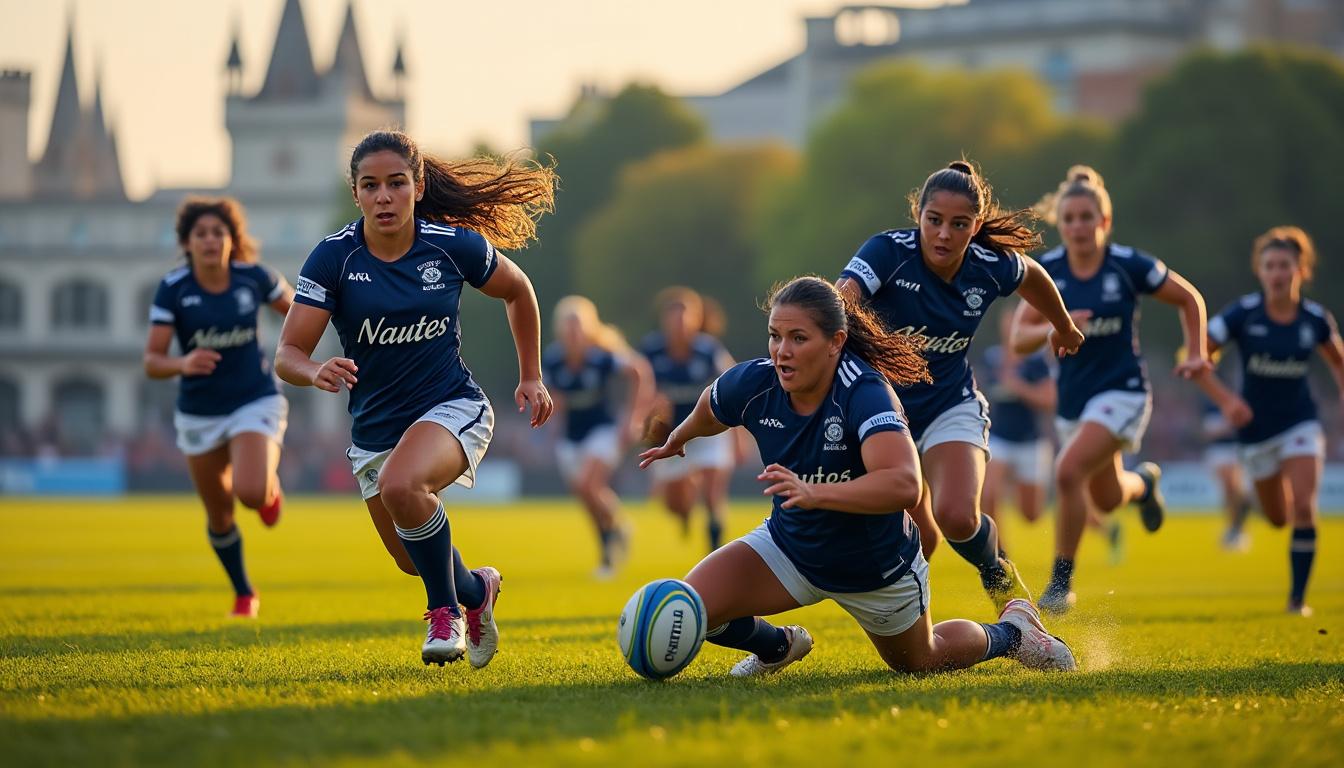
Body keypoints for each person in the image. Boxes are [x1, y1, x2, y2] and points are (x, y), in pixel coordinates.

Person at [640, 277, 1076, 676]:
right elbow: (712, 407)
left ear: (836, 342)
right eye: (775, 336)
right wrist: (677, 438)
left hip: (873, 566)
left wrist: (817, 492)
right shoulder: (755, 381)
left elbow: (904, 482)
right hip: (789, 547)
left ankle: (1014, 633)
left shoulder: (863, 392)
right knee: (691, 607)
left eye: (798, 338)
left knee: (919, 661)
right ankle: (777, 646)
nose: (781, 351)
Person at [275, 130, 556, 666]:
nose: (385, 196)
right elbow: (287, 352)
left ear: (418, 186)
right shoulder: (333, 259)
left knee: (405, 485)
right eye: (371, 185)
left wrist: (531, 375)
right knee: (413, 556)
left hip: (453, 407)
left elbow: (519, 290)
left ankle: (443, 616)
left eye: (396, 183)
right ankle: (477, 592)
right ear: (356, 193)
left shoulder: (452, 247)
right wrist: (314, 371)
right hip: (375, 431)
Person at [836, 160, 1083, 611]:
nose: (944, 234)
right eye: (935, 221)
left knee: (956, 516)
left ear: (976, 226)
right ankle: (915, 628)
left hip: (953, 404)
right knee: (919, 539)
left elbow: (1033, 277)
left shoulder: (990, 266)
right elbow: (842, 298)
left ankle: (1000, 580)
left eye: (959, 224)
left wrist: (1063, 327)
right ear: (918, 215)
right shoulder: (888, 252)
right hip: (886, 413)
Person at [1013, 166, 1210, 614]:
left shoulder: (1128, 264)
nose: (1079, 226)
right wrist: (1057, 326)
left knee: (1067, 473)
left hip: (1123, 392)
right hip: (1074, 402)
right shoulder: (1050, 272)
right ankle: (1143, 483)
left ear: (1105, 221)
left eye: (1088, 217)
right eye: (1070, 219)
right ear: (1060, 225)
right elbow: (1017, 340)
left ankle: (1061, 584)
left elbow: (1188, 299)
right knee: (1105, 496)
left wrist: (1196, 353)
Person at [143, 196, 292, 619]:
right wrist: (183, 362)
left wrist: (304, 353)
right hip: (199, 411)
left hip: (253, 400)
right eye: (200, 234)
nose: (209, 241)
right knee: (219, 514)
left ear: (232, 240)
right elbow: (152, 361)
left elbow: (302, 313)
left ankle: (267, 489)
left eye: (217, 233)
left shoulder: (255, 278)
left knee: (248, 492)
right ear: (187, 244)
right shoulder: (173, 289)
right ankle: (244, 593)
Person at [1197, 226, 1343, 616]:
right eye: (1270, 266)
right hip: (1255, 431)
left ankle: (1297, 600)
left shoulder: (1314, 319)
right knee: (1278, 518)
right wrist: (1227, 401)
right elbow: (1197, 357)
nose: (1277, 273)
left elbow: (1338, 361)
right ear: (1259, 272)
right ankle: (1249, 503)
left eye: (1285, 266)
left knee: (1304, 509)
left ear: (1301, 271)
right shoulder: (1243, 314)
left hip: (1300, 423)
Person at [544, 295, 654, 578]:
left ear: (589, 328)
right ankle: (611, 540)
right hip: (572, 436)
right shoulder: (554, 360)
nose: (573, 333)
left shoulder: (602, 357)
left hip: (603, 430)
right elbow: (556, 397)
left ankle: (615, 533)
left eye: (578, 326)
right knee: (586, 495)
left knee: (588, 485)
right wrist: (551, 419)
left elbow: (639, 371)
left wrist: (632, 418)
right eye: (568, 327)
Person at [640, 287, 738, 552]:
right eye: (674, 316)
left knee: (712, 489)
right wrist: (648, 414)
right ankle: (685, 512)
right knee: (674, 503)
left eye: (686, 316)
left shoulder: (709, 351)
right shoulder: (651, 351)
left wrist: (740, 436)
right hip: (671, 433)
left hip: (708, 428)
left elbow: (734, 387)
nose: (680, 323)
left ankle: (714, 542)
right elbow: (641, 391)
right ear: (665, 320)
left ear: (697, 319)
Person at [980, 307, 1055, 543]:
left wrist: (1018, 386)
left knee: (1031, 515)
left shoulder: (1036, 362)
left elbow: (1049, 400)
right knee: (987, 494)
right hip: (998, 438)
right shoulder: (992, 358)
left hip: (1030, 441)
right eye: (1007, 324)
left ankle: (1013, 481)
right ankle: (999, 556)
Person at [1201, 397, 1253, 551]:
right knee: (1229, 489)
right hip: (1219, 450)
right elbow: (1209, 431)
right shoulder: (1209, 402)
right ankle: (1234, 528)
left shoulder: (1243, 395)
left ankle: (1236, 528)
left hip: (1241, 449)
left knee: (1236, 490)